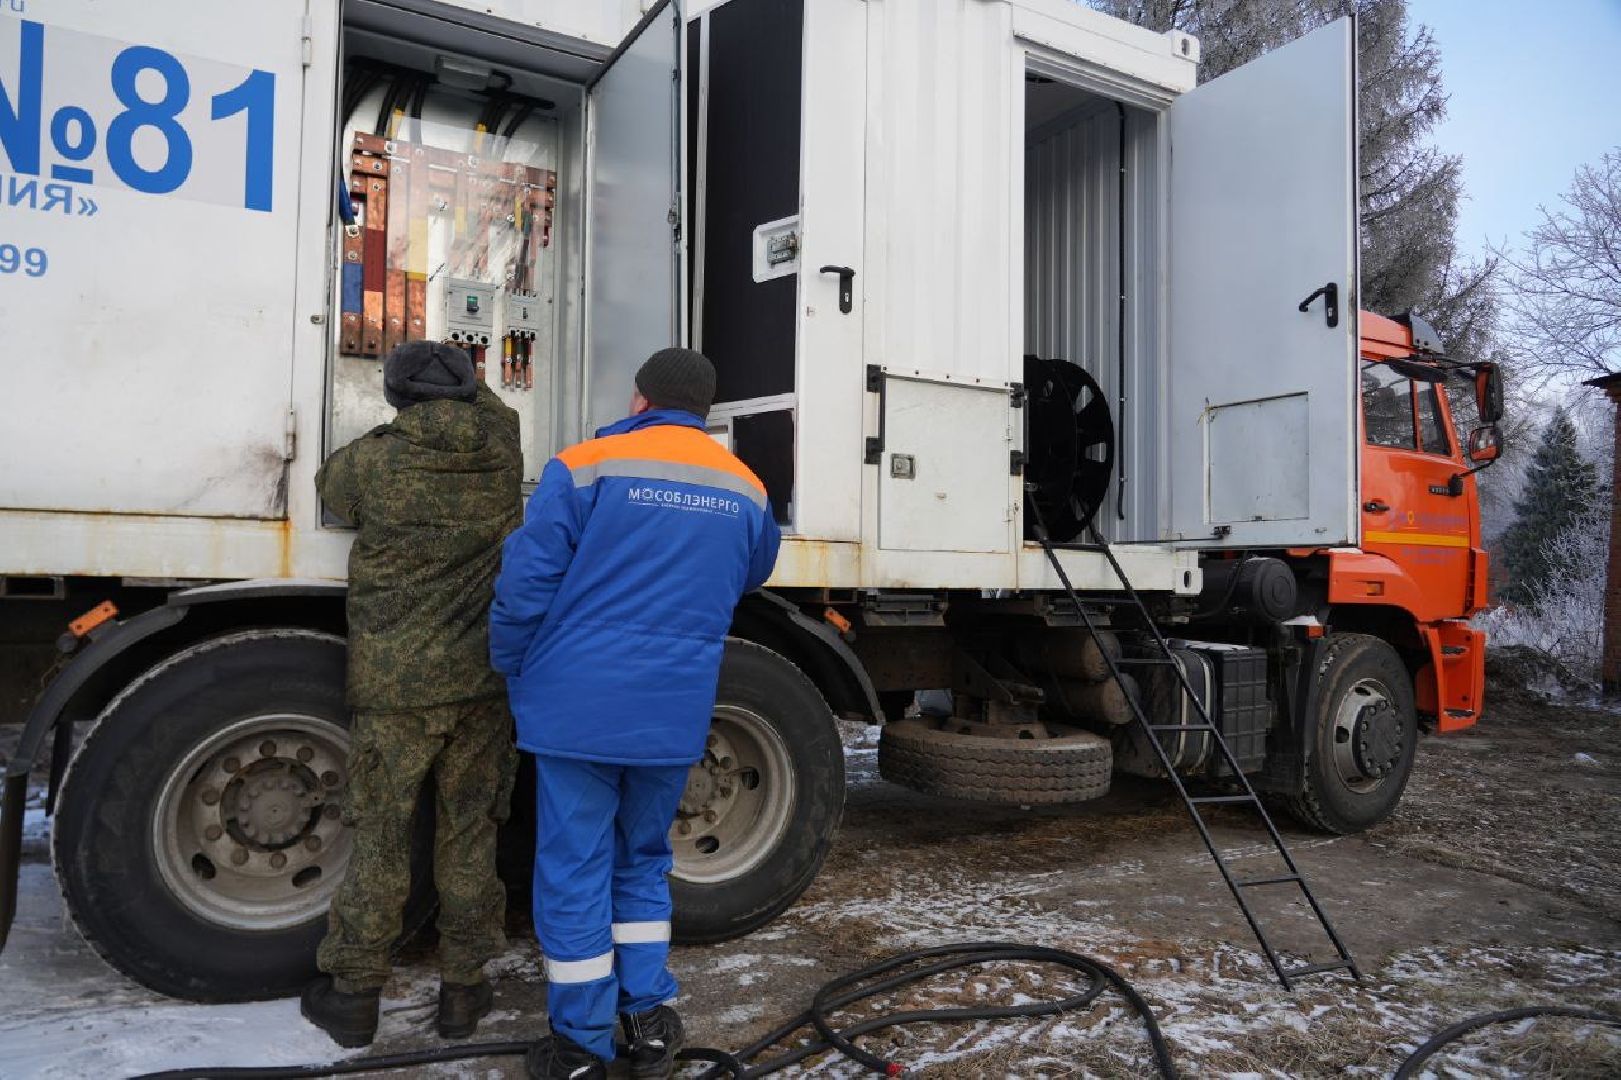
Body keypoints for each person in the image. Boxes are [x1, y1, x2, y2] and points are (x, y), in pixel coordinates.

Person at [491, 348, 781, 1080]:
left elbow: (527, 581)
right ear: (705, 409)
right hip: (670, 707)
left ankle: (582, 1043)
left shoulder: (582, 466)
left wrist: (509, 660)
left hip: (577, 704)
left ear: (640, 399)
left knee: (573, 865)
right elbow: (750, 572)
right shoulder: (745, 488)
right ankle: (647, 1013)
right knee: (644, 858)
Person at [302, 341, 524, 1049]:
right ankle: (463, 991)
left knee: (381, 835)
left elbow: (326, 486)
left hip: (395, 690)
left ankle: (355, 995)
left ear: (398, 397)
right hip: (482, 683)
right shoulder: (501, 448)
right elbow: (491, 405)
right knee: (469, 831)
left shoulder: (375, 461)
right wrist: (467, 388)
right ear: (466, 391)